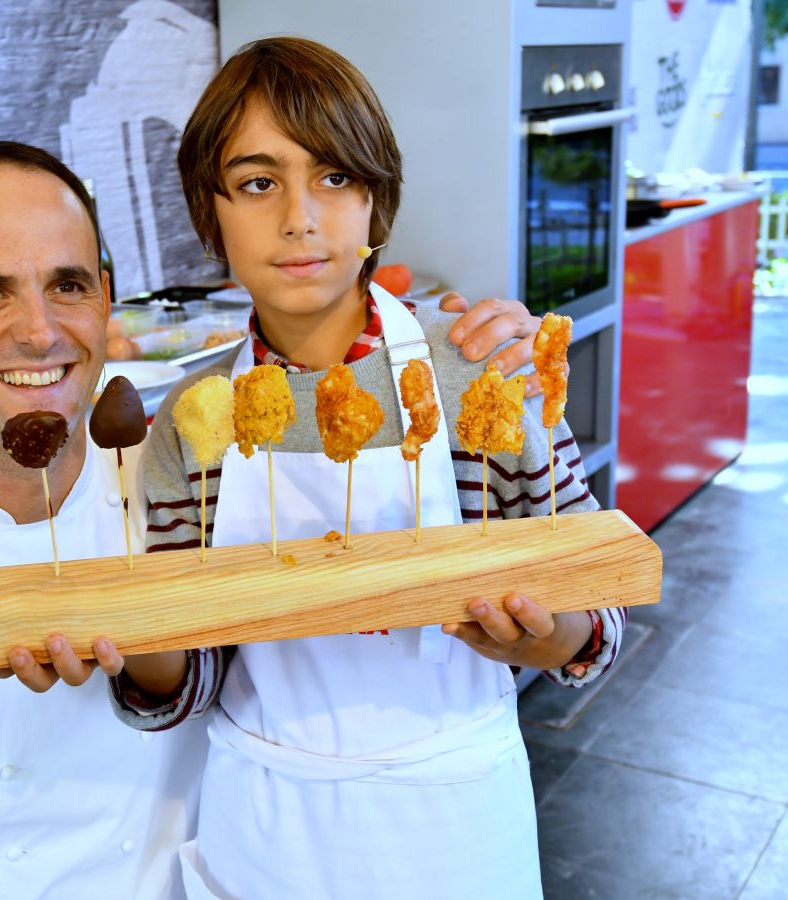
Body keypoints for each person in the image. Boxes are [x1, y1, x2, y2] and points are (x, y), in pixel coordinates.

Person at [0, 137, 546, 895]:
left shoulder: (206, 488)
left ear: (106, 301)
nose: (40, 332)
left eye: (68, 286)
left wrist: (463, 346)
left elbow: (387, 517)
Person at [108, 38, 627, 899]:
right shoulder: (192, 424)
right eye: (258, 182)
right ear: (212, 212)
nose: (300, 218)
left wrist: (552, 636)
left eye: (336, 177)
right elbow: (185, 680)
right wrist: (132, 642)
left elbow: (598, 608)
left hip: (450, 818)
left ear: (376, 201)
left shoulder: (477, 375)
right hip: (267, 822)